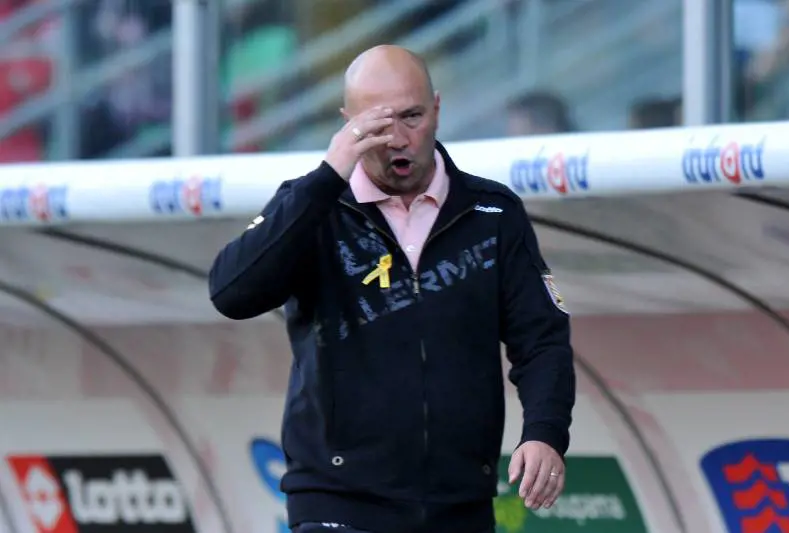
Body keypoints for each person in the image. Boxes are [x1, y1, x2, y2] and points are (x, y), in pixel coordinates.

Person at [208, 45, 576, 533]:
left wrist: (545, 433)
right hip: (337, 504)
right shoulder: (312, 207)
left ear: (437, 109)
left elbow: (542, 338)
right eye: (376, 125)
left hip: (459, 505)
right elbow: (231, 293)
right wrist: (326, 177)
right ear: (347, 125)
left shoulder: (493, 212)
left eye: (412, 117)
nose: (398, 139)